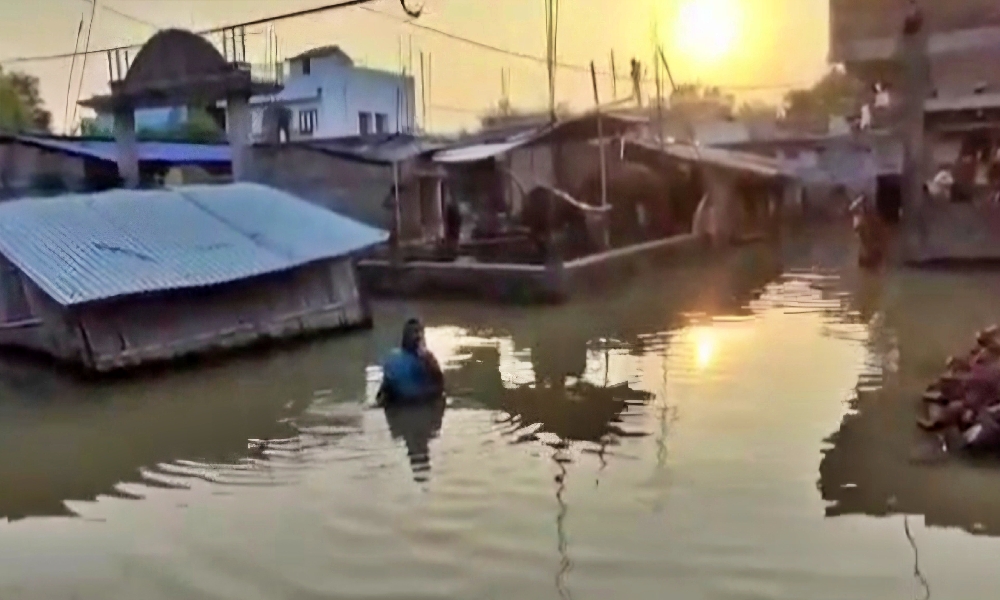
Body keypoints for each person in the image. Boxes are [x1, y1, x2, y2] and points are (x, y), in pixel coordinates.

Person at [377, 318, 444, 406]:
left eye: (420, 332)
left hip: (418, 402)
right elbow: (385, 387)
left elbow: (440, 383)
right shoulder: (393, 358)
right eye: (415, 332)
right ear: (405, 335)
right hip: (405, 403)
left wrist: (428, 362)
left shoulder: (426, 357)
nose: (418, 336)